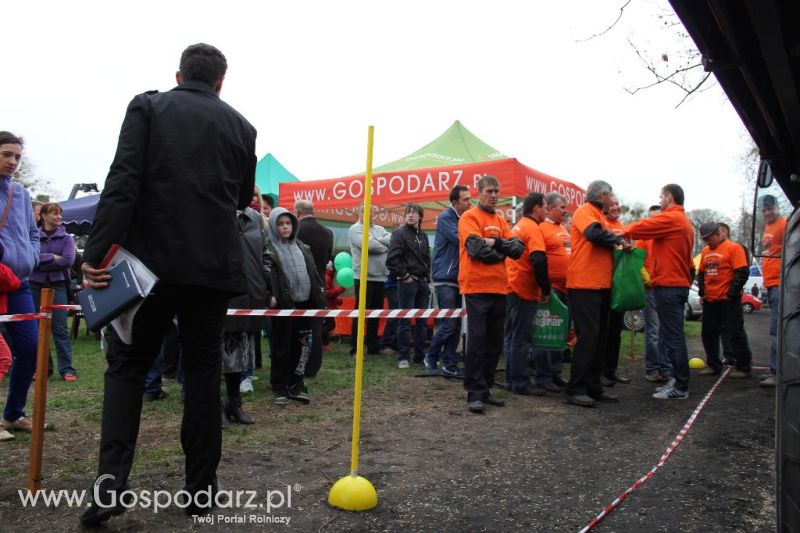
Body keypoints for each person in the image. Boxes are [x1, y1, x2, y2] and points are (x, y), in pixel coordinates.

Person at [79, 44, 257, 524]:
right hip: (214, 271)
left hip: (148, 269)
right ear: (221, 81)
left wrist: (95, 255)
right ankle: (201, 491)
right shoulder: (242, 126)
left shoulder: (148, 106)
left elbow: (123, 181)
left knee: (128, 369)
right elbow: (242, 197)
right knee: (202, 377)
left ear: (179, 74)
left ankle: (109, 488)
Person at [458, 175, 524, 414]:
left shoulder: (500, 219)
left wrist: (493, 243)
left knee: (494, 343)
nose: (494, 195)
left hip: (500, 288)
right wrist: (501, 248)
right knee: (477, 342)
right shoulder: (469, 217)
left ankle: (485, 389)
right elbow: (475, 249)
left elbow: (517, 249)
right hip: (476, 287)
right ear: (479, 192)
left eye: (497, 191)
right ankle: (474, 392)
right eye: (489, 191)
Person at [625, 184, 695, 400]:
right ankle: (676, 379)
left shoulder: (673, 218)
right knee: (669, 336)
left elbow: (644, 227)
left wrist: (624, 231)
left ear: (669, 197)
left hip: (670, 287)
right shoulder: (681, 221)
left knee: (673, 338)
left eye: (661, 197)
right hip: (672, 285)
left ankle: (681, 386)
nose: (660, 201)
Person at [564, 180, 624, 407]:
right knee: (588, 337)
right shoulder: (584, 212)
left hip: (601, 285)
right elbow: (593, 234)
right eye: (611, 196)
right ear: (602, 195)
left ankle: (593, 386)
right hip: (583, 284)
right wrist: (618, 240)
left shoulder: (600, 216)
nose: (613, 200)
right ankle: (576, 388)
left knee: (600, 337)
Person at [0, 132, 40, 439]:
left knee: (29, 347)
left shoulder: (22, 195)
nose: (12, 161)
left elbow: (32, 232)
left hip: (20, 283)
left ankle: (13, 414)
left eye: (17, 156)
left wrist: (33, 257)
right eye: (6, 155)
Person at [265, 208, 326, 405]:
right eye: (280, 224)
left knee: (302, 346)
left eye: (288, 223)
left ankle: (297, 384)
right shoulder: (268, 249)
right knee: (281, 348)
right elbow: (262, 277)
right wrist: (268, 296)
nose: (285, 227)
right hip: (283, 306)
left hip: (305, 305)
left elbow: (313, 274)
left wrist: (319, 297)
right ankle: (279, 386)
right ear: (274, 226)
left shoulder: (302, 247)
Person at [222, 198, 271, 426]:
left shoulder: (254, 219)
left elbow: (265, 254)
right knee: (218, 356)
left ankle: (234, 403)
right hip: (223, 297)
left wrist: (265, 283)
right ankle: (214, 406)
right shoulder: (216, 211)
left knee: (240, 357)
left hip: (252, 296)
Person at [504, 192, 550, 395]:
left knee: (512, 337)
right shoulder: (533, 228)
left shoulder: (518, 226)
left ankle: (512, 380)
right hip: (523, 288)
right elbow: (538, 259)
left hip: (511, 285)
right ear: (537, 208)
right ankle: (520, 383)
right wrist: (546, 288)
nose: (546, 212)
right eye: (546, 207)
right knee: (521, 339)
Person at [424, 184, 472, 377]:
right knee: (449, 323)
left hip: (459, 277)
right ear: (455, 202)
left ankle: (449, 363)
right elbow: (460, 239)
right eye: (466, 199)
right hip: (445, 277)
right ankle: (431, 356)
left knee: (457, 324)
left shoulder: (463, 218)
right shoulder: (446, 218)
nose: (470, 202)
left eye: (470, 198)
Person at [695, 222, 752, 378]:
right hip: (710, 300)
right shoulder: (706, 251)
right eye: (704, 239)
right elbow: (701, 273)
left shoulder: (733, 248)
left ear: (717, 234)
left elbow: (742, 271)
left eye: (709, 238)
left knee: (735, 332)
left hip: (728, 300)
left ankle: (743, 367)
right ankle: (713, 365)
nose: (707, 242)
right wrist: (702, 292)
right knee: (708, 333)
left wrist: (731, 294)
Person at [29, 202, 78, 381]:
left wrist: (41, 262)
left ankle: (67, 370)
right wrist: (51, 257)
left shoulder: (66, 238)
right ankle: (42, 368)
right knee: (37, 329)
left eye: (60, 214)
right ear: (43, 216)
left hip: (57, 286)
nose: (58, 217)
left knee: (59, 329)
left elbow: (67, 261)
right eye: (54, 214)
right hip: (34, 286)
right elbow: (30, 259)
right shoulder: (32, 235)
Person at [387, 203, 431, 368]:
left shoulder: (424, 235)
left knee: (422, 321)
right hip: (407, 282)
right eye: (408, 212)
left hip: (422, 282)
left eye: (414, 213)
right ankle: (403, 357)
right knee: (405, 320)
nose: (410, 215)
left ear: (420, 217)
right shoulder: (399, 233)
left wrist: (427, 278)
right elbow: (392, 259)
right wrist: (405, 275)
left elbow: (427, 257)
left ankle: (419, 357)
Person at [534, 192, 571, 391]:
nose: (565, 211)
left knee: (561, 333)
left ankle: (556, 373)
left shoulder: (563, 229)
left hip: (567, 288)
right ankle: (543, 376)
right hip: (550, 289)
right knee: (546, 332)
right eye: (562, 207)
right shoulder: (541, 228)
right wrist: (543, 287)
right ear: (550, 208)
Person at [295, 200, 333, 377]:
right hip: (320, 286)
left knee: (298, 329)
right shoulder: (327, 232)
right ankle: (313, 368)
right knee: (315, 330)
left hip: (298, 285)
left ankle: (298, 366)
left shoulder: (295, 229)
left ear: (297, 212)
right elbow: (326, 260)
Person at [348, 205, 391, 355]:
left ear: (375, 213)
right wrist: (382, 243)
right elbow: (370, 245)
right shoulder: (355, 229)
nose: (368, 214)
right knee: (361, 314)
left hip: (380, 277)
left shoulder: (379, 228)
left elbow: (391, 239)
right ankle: (356, 348)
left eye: (371, 211)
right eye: (364, 211)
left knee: (375, 314)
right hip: (363, 277)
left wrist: (377, 239)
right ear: (358, 213)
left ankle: (373, 347)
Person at [637, 205, 672, 382]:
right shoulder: (643, 239)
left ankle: (665, 366)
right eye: (651, 218)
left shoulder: (668, 237)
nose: (654, 221)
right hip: (651, 288)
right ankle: (652, 368)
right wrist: (649, 280)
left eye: (657, 218)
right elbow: (638, 262)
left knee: (666, 329)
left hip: (666, 287)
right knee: (653, 330)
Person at [601, 194, 631, 386]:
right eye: (611, 204)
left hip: (619, 283)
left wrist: (628, 246)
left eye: (617, 204)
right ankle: (601, 371)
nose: (615, 207)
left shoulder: (623, 226)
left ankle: (612, 370)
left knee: (616, 331)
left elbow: (629, 245)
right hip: (604, 281)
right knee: (604, 330)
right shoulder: (602, 223)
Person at [759, 194, 786, 387]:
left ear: (777, 207)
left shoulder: (785, 224)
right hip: (770, 283)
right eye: (764, 210)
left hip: (780, 282)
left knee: (777, 330)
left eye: (771, 208)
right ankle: (774, 368)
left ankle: (778, 372)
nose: (768, 212)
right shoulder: (767, 227)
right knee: (774, 329)